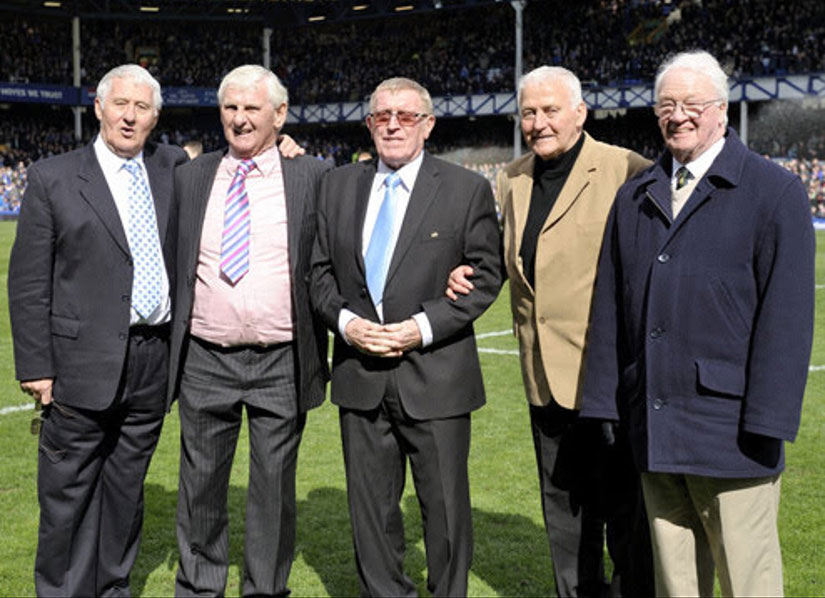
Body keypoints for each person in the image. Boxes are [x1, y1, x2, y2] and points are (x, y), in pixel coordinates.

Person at [580, 50, 815, 597]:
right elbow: (609, 306)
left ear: (721, 110)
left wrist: (768, 424)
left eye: (692, 104)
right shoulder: (634, 197)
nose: (678, 115)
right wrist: (603, 405)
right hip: (656, 426)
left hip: (734, 436)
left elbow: (786, 321)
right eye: (666, 104)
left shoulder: (773, 192)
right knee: (675, 584)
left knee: (747, 582)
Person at [448, 65, 653, 597]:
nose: (538, 123)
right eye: (529, 113)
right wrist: (458, 270)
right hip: (543, 378)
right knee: (563, 515)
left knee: (625, 517)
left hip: (607, 378)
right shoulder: (512, 177)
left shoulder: (626, 168)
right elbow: (500, 259)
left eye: (550, 110)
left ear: (580, 112)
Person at [309, 77, 502, 597]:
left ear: (428, 124)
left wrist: (420, 328)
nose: (393, 124)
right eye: (382, 116)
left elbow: (486, 275)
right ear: (369, 124)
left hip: (435, 378)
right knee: (370, 514)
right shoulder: (337, 185)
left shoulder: (466, 189)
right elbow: (319, 273)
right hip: (360, 376)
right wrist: (347, 325)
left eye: (406, 116)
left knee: (443, 512)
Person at [7, 64, 187, 596]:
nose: (130, 117)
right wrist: (37, 366)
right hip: (78, 363)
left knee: (125, 492)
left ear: (156, 117)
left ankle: (111, 588)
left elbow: (241, 163)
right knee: (67, 495)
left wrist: (286, 146)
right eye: (121, 104)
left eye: (142, 108)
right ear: (99, 108)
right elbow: (29, 283)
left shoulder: (173, 166)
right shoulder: (52, 177)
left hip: (152, 360)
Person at [168, 64, 331, 597]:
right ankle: (199, 587)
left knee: (273, 492)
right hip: (205, 356)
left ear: (279, 115)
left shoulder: (312, 175)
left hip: (281, 359)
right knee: (200, 486)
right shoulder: (190, 176)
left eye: (251, 109)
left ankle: (265, 589)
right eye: (230, 108)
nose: (239, 120)